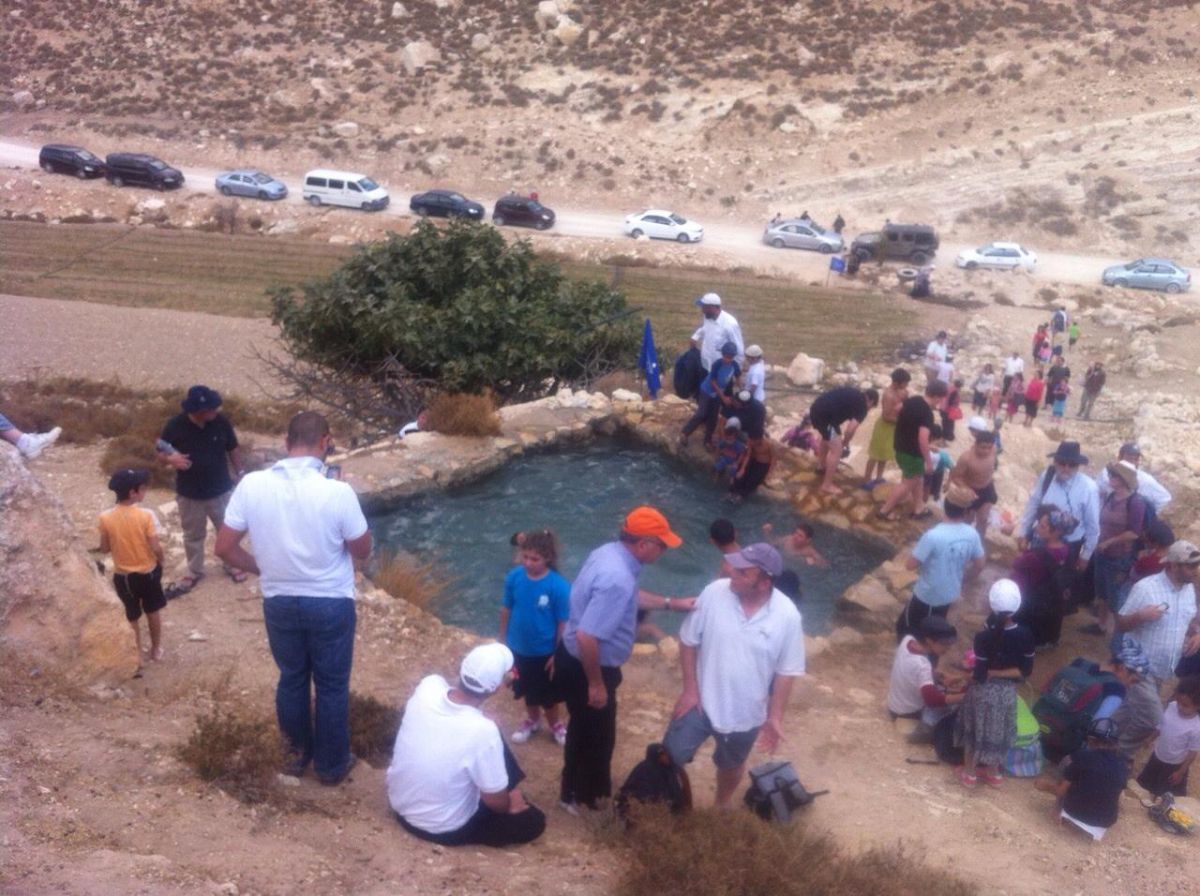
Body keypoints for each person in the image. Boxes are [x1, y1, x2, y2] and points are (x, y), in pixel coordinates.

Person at [215, 411, 372, 785]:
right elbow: (362, 550)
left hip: (279, 598)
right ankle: (332, 766)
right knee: (331, 685)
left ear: (286, 444)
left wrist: (263, 569)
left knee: (292, 678)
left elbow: (223, 547)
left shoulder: (252, 485)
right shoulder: (337, 491)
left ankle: (294, 756)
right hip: (329, 601)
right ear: (325, 442)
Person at [555, 506, 681, 813]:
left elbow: (628, 598)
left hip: (573, 658)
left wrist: (671, 604)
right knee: (597, 738)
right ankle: (582, 799)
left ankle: (573, 791)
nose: (663, 550)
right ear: (643, 543)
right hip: (589, 666)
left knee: (584, 729)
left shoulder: (608, 553)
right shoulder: (618, 577)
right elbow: (588, 637)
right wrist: (596, 684)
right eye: (661, 544)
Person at [664, 544, 805, 808]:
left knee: (731, 764)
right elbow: (688, 641)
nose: (731, 573)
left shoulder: (787, 616)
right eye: (734, 567)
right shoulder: (714, 592)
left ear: (763, 583)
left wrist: (774, 717)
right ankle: (674, 805)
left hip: (746, 713)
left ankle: (721, 803)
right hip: (700, 702)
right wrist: (690, 690)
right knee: (670, 755)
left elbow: (786, 672)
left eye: (742, 572)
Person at [386, 643, 546, 847]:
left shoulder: (428, 686)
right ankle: (512, 793)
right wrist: (507, 803)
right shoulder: (482, 731)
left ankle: (509, 789)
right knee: (533, 821)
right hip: (441, 828)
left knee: (488, 732)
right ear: (498, 687)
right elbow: (496, 804)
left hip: (399, 805)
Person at [158, 385, 246, 596]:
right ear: (199, 410)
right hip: (189, 493)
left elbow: (232, 447)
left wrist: (241, 472)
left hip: (221, 490)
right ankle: (195, 570)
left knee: (227, 530)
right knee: (193, 535)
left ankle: (232, 563)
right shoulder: (174, 425)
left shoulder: (220, 422)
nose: (216, 412)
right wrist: (171, 459)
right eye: (212, 409)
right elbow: (160, 451)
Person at [955, 579, 1035, 789]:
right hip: (1007, 692)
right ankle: (994, 773)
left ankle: (970, 773)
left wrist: (966, 677)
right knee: (1000, 731)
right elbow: (1025, 671)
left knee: (975, 730)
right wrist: (999, 673)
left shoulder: (983, 637)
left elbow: (980, 674)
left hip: (982, 691)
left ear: (992, 604)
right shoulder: (1025, 635)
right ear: (1017, 606)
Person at [499, 529, 571, 747]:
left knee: (548, 694)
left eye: (534, 559)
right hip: (518, 648)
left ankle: (556, 724)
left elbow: (563, 622)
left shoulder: (559, 586)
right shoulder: (514, 577)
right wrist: (502, 641)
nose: (528, 563)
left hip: (544, 652)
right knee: (527, 689)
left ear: (548, 558)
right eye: (525, 557)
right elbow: (506, 608)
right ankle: (533, 720)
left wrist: (558, 653)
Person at [97, 468, 167, 677]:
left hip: (123, 576)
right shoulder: (146, 515)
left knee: (132, 616)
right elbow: (155, 546)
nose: (144, 491)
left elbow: (104, 549)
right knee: (152, 611)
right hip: (148, 572)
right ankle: (155, 649)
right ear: (132, 493)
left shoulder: (105, 518)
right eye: (142, 488)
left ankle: (136, 656)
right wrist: (161, 561)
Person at [894, 484, 985, 641]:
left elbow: (910, 565)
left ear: (945, 505)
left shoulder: (933, 535)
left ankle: (918, 659)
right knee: (936, 627)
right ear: (965, 512)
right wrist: (966, 579)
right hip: (950, 592)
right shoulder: (972, 534)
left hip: (928, 595)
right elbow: (980, 564)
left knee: (908, 630)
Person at [1117, 541, 1200, 685]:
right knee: (1152, 708)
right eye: (1190, 566)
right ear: (1174, 566)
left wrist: (1196, 634)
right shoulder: (1145, 588)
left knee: (1130, 707)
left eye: (1196, 565)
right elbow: (1121, 625)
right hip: (1138, 669)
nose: (1195, 570)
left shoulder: (1189, 590)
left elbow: (1188, 620)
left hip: (1164, 671)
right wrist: (1140, 616)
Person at [1016, 440, 1101, 580]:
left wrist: (1085, 556)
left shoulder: (1088, 488)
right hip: (1040, 540)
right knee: (1032, 577)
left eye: (1072, 465)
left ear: (1078, 466)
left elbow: (1093, 526)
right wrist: (1024, 533)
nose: (1066, 468)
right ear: (1055, 462)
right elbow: (1033, 504)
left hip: (1068, 547)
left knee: (1058, 583)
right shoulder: (1047, 476)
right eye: (1062, 463)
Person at [1035, 716, 1127, 841]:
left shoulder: (1081, 757)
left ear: (1091, 740)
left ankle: (1058, 811)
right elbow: (1116, 794)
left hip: (1074, 813)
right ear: (1115, 743)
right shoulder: (1123, 765)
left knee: (1067, 762)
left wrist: (1043, 785)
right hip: (1104, 822)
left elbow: (1060, 791)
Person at [1092, 461, 1151, 635]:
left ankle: (1120, 635)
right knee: (1102, 592)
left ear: (1123, 479)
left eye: (1114, 475)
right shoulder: (1111, 497)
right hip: (1103, 553)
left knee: (1116, 598)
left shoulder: (1135, 502)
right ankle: (1101, 625)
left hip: (1119, 557)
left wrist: (1109, 542)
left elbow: (1134, 532)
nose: (1110, 478)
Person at [878, 379, 947, 521]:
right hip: (912, 453)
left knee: (918, 478)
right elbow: (923, 439)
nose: (939, 403)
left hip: (900, 446)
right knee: (907, 483)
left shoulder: (914, 400)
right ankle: (884, 511)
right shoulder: (927, 413)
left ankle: (919, 508)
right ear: (937, 396)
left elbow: (897, 408)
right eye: (940, 400)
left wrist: (906, 424)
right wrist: (928, 461)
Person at [1012, 505, 1075, 649]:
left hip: (1033, 603)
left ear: (1056, 532)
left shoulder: (1036, 555)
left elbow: (1016, 564)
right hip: (1053, 603)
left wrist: (1021, 554)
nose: (1037, 528)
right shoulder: (1068, 550)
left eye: (1042, 526)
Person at [887, 616, 965, 727]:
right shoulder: (922, 665)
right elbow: (932, 700)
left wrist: (940, 676)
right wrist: (963, 696)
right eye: (944, 643)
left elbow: (914, 672)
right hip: (910, 714)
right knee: (954, 712)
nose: (947, 648)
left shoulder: (908, 640)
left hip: (895, 706)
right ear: (929, 640)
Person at [808, 385, 880, 495]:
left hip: (816, 409)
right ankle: (827, 485)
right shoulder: (863, 407)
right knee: (837, 450)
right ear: (871, 401)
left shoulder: (854, 392)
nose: (869, 409)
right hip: (825, 419)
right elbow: (851, 429)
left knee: (827, 438)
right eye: (871, 407)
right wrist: (845, 443)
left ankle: (821, 466)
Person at [1136, 676, 1200, 797]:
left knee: (1164, 794)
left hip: (1173, 765)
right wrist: (1151, 738)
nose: (1180, 706)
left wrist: (1181, 772)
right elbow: (1162, 725)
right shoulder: (1172, 706)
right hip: (1158, 755)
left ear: (1198, 706)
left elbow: (1192, 753)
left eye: (1185, 705)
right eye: (1179, 701)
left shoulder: (1196, 727)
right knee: (1145, 785)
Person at [1109, 636, 1162, 763]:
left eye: (1116, 671)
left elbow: (1153, 721)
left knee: (1117, 755)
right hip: (1130, 714)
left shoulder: (1144, 694)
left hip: (1128, 740)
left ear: (1123, 668)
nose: (1114, 675)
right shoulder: (1135, 676)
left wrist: (1124, 743)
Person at [680, 341, 741, 449]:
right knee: (702, 413)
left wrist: (740, 391)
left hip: (718, 393)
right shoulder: (717, 364)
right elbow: (713, 382)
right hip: (707, 390)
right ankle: (685, 433)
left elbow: (738, 378)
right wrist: (723, 397)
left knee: (713, 417)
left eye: (731, 357)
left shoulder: (734, 365)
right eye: (726, 356)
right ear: (723, 355)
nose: (728, 359)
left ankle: (707, 441)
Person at [949, 417, 998, 542]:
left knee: (983, 519)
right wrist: (965, 488)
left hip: (987, 488)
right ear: (975, 444)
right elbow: (956, 476)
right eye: (983, 447)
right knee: (967, 521)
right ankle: (962, 542)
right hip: (971, 491)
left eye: (989, 447)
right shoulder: (966, 458)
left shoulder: (994, 450)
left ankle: (978, 545)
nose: (986, 450)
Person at [864, 368, 910, 489]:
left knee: (884, 454)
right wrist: (903, 422)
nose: (906, 386)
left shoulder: (902, 391)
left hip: (892, 428)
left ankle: (879, 477)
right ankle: (866, 480)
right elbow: (886, 416)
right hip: (884, 428)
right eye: (905, 383)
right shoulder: (888, 395)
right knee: (874, 455)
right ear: (897, 382)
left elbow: (906, 403)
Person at [1097, 442, 1172, 513]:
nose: (1133, 462)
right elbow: (1097, 495)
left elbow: (1164, 499)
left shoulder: (1145, 480)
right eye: (1129, 459)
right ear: (1119, 458)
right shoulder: (1106, 474)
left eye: (1136, 459)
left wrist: (1148, 516)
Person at [690, 293, 744, 376]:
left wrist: (735, 372)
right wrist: (696, 336)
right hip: (705, 365)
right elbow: (705, 327)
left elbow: (739, 349)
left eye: (704, 307)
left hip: (721, 370)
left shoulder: (730, 324)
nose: (702, 310)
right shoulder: (707, 316)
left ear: (712, 307)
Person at [730, 425, 774, 501]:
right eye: (751, 440)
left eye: (754, 440)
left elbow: (773, 460)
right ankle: (732, 492)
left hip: (763, 465)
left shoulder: (769, 445)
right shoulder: (750, 441)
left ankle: (741, 496)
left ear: (760, 438)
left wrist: (768, 474)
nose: (752, 442)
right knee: (740, 475)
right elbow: (748, 455)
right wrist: (742, 469)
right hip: (753, 460)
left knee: (752, 480)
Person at [762, 521, 828, 568]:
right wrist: (766, 532)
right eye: (796, 533)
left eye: (800, 536)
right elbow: (772, 544)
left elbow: (825, 565)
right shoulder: (788, 539)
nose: (795, 536)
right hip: (780, 563)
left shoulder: (809, 551)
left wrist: (813, 562)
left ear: (808, 540)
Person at [921, 424, 952, 514]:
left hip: (927, 472)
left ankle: (925, 503)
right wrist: (948, 482)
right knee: (933, 491)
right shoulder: (942, 454)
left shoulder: (922, 446)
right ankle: (929, 503)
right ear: (938, 438)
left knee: (926, 489)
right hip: (935, 472)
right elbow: (952, 468)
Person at [713, 417, 746, 482]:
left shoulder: (738, 444)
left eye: (730, 438)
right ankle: (715, 478)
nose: (729, 440)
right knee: (718, 466)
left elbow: (742, 453)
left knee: (733, 469)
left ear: (735, 437)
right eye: (727, 438)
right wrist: (717, 456)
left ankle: (731, 482)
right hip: (724, 458)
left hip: (733, 460)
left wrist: (737, 463)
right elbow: (718, 447)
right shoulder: (724, 441)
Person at [940, 377, 963, 442]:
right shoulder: (955, 392)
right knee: (948, 425)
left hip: (943, 408)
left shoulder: (949, 388)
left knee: (946, 424)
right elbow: (950, 401)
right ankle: (944, 439)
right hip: (948, 410)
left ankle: (948, 437)